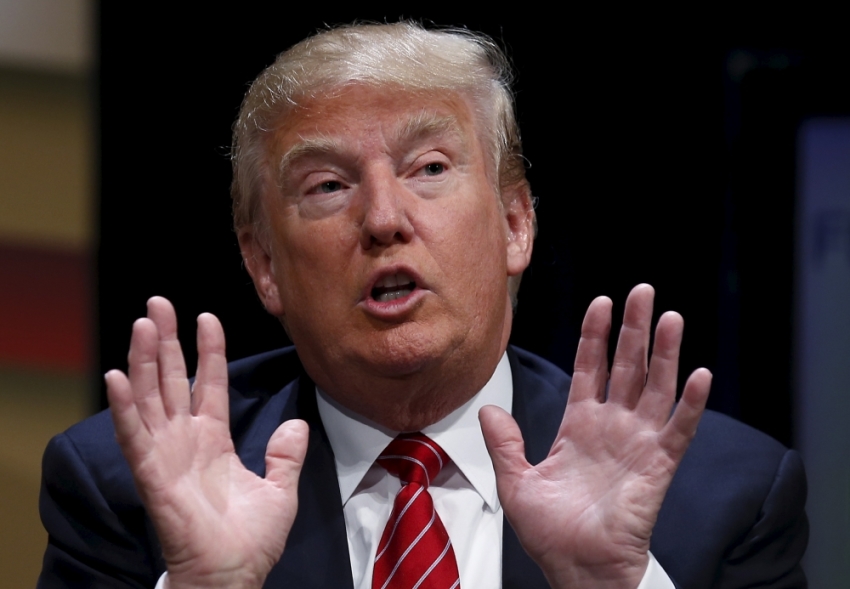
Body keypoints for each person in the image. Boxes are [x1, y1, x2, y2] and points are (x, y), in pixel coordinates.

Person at [38, 22, 807, 589]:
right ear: (264, 264)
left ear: (515, 223)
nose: (382, 217)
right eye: (328, 185)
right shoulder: (128, 495)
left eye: (429, 167)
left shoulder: (722, 495)